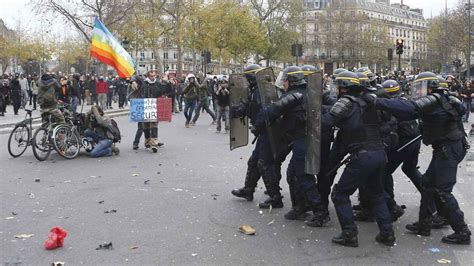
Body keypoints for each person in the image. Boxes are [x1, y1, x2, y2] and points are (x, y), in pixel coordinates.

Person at [376, 71, 471, 245]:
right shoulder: (443, 98)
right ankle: (424, 224)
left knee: (442, 190)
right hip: (446, 147)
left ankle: (462, 231)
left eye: (421, 87)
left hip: (449, 148)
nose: (419, 91)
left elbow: (411, 109)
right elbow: (409, 113)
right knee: (427, 184)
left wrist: (378, 101)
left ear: (430, 86)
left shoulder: (434, 99)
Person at [321, 71, 395, 247]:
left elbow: (326, 122)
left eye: (337, 86)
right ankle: (387, 234)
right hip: (379, 154)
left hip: (363, 156)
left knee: (340, 194)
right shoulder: (368, 102)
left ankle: (349, 234)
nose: (336, 90)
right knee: (376, 194)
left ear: (344, 88)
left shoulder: (346, 102)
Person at [231, 64, 283, 209]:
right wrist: (239, 110)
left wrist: (257, 126)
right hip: (264, 131)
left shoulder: (261, 91)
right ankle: (248, 190)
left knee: (264, 163)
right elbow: (250, 107)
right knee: (254, 162)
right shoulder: (257, 90)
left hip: (267, 131)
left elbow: (264, 111)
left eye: (247, 78)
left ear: (252, 78)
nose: (246, 81)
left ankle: (275, 197)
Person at [141, 71, 164, 152]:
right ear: (148, 76)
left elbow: (164, 91)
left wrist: (168, 83)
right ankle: (147, 143)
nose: (153, 77)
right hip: (144, 106)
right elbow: (136, 78)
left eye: (154, 76)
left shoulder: (157, 84)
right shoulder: (143, 83)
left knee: (154, 125)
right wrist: (132, 81)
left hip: (154, 106)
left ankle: (154, 144)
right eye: (151, 76)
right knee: (146, 126)